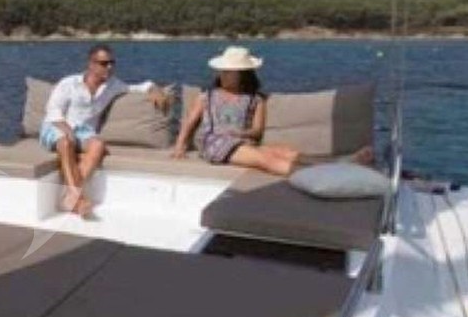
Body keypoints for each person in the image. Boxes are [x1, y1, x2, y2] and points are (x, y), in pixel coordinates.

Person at [173, 46, 372, 175]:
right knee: (266, 160)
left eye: (228, 72)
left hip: (241, 141)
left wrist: (241, 133)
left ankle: (342, 162)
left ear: (242, 75)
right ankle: (326, 174)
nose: (223, 76)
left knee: (286, 152)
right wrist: (180, 146)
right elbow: (190, 122)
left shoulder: (255, 100)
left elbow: (256, 130)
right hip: (215, 143)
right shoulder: (207, 96)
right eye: (222, 72)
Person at [41, 43, 171, 216]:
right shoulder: (69, 83)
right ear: (91, 64)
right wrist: (67, 130)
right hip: (56, 125)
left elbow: (139, 86)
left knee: (98, 145)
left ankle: (70, 197)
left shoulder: (113, 85)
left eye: (111, 63)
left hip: (84, 132)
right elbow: (53, 111)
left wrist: (154, 90)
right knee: (65, 142)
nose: (109, 67)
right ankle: (76, 197)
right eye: (104, 63)